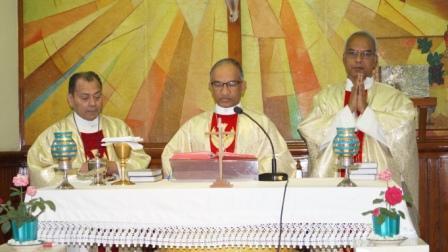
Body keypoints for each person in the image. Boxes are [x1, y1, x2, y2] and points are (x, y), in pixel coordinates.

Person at [298, 31, 419, 222]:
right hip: (334, 184)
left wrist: (367, 113)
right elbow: (312, 133)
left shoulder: (394, 98)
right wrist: (349, 111)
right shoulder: (326, 98)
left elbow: (402, 133)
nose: (359, 59)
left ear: (375, 60)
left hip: (379, 185)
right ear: (344, 58)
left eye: (366, 54)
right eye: (353, 53)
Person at [162, 58, 296, 178]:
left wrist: (247, 174)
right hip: (204, 197)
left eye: (231, 84)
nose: (225, 91)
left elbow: (279, 158)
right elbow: (169, 157)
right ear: (210, 87)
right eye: (218, 84)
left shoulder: (260, 124)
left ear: (243, 87)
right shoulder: (194, 126)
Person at [28, 71, 151, 188]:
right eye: (85, 98)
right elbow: (38, 172)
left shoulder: (118, 128)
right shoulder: (54, 135)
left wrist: (116, 167)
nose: (93, 103)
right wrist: (77, 172)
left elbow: (141, 159)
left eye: (97, 97)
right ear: (70, 100)